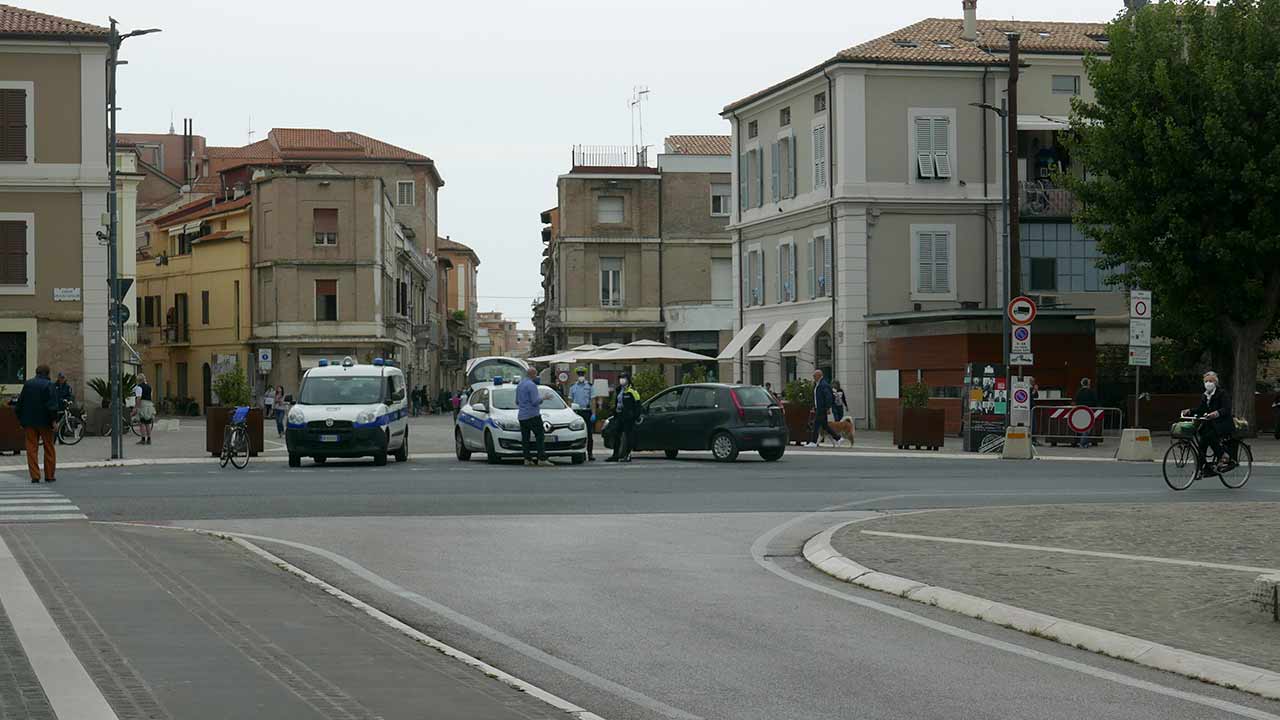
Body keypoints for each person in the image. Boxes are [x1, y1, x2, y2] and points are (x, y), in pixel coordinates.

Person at [15, 364, 57, 483]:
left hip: (29, 423)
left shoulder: (28, 384)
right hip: (45, 422)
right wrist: (53, 421)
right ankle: (49, 475)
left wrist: (21, 420)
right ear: (47, 373)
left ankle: (35, 475)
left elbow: (19, 404)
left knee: (31, 449)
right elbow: (52, 406)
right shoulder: (49, 385)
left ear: (37, 373)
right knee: (49, 447)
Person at [1189, 370, 1234, 474]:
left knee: (1210, 436)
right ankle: (1202, 467)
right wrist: (1190, 411)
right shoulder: (1205, 395)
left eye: (1211, 381)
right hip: (1210, 424)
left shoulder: (1222, 393)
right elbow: (1201, 409)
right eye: (1206, 381)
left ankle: (1224, 456)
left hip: (1222, 424)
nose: (1208, 383)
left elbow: (1226, 409)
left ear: (1215, 382)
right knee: (1202, 443)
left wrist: (1215, 413)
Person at [607, 372, 642, 462]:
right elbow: (617, 402)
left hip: (628, 417)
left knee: (628, 435)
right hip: (619, 415)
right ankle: (615, 455)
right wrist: (614, 411)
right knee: (616, 435)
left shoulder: (632, 391)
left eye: (623, 378)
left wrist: (635, 416)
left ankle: (627, 455)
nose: (621, 380)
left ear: (628, 379)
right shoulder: (619, 389)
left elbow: (638, 404)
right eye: (620, 378)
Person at [516, 367, 548, 466]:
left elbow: (517, 401)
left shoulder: (520, 385)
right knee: (540, 436)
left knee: (525, 438)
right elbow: (535, 401)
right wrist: (544, 398)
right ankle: (541, 458)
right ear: (533, 374)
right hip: (533, 415)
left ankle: (527, 458)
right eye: (536, 374)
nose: (536, 376)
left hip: (522, 415)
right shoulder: (531, 385)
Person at [808, 369, 842, 447]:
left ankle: (813, 442)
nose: (813, 377)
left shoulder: (823, 385)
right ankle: (838, 438)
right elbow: (816, 397)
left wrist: (827, 407)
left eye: (814, 375)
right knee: (825, 425)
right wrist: (814, 406)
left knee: (816, 425)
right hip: (818, 408)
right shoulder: (817, 384)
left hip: (821, 408)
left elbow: (828, 397)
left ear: (819, 375)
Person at [568, 367, 596, 461]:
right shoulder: (573, 387)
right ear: (577, 375)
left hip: (587, 412)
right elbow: (570, 401)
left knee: (589, 435)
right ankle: (581, 453)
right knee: (578, 434)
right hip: (577, 413)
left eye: (582, 374)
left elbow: (592, 400)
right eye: (579, 374)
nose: (581, 376)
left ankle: (590, 453)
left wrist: (593, 413)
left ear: (585, 375)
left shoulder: (589, 386)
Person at [1073, 378, 1098, 448]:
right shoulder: (1091, 392)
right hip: (1089, 411)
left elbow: (1076, 401)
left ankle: (1079, 441)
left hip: (1080, 411)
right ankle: (1083, 443)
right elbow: (1095, 401)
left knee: (1080, 427)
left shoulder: (1079, 392)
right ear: (1088, 384)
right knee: (1087, 428)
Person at [135, 373, 155, 445]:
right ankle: (149, 439)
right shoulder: (149, 387)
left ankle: (143, 439)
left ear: (138, 380)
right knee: (148, 423)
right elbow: (151, 397)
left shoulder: (139, 387)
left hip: (142, 405)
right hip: (149, 405)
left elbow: (139, 398)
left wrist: (136, 407)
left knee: (142, 423)